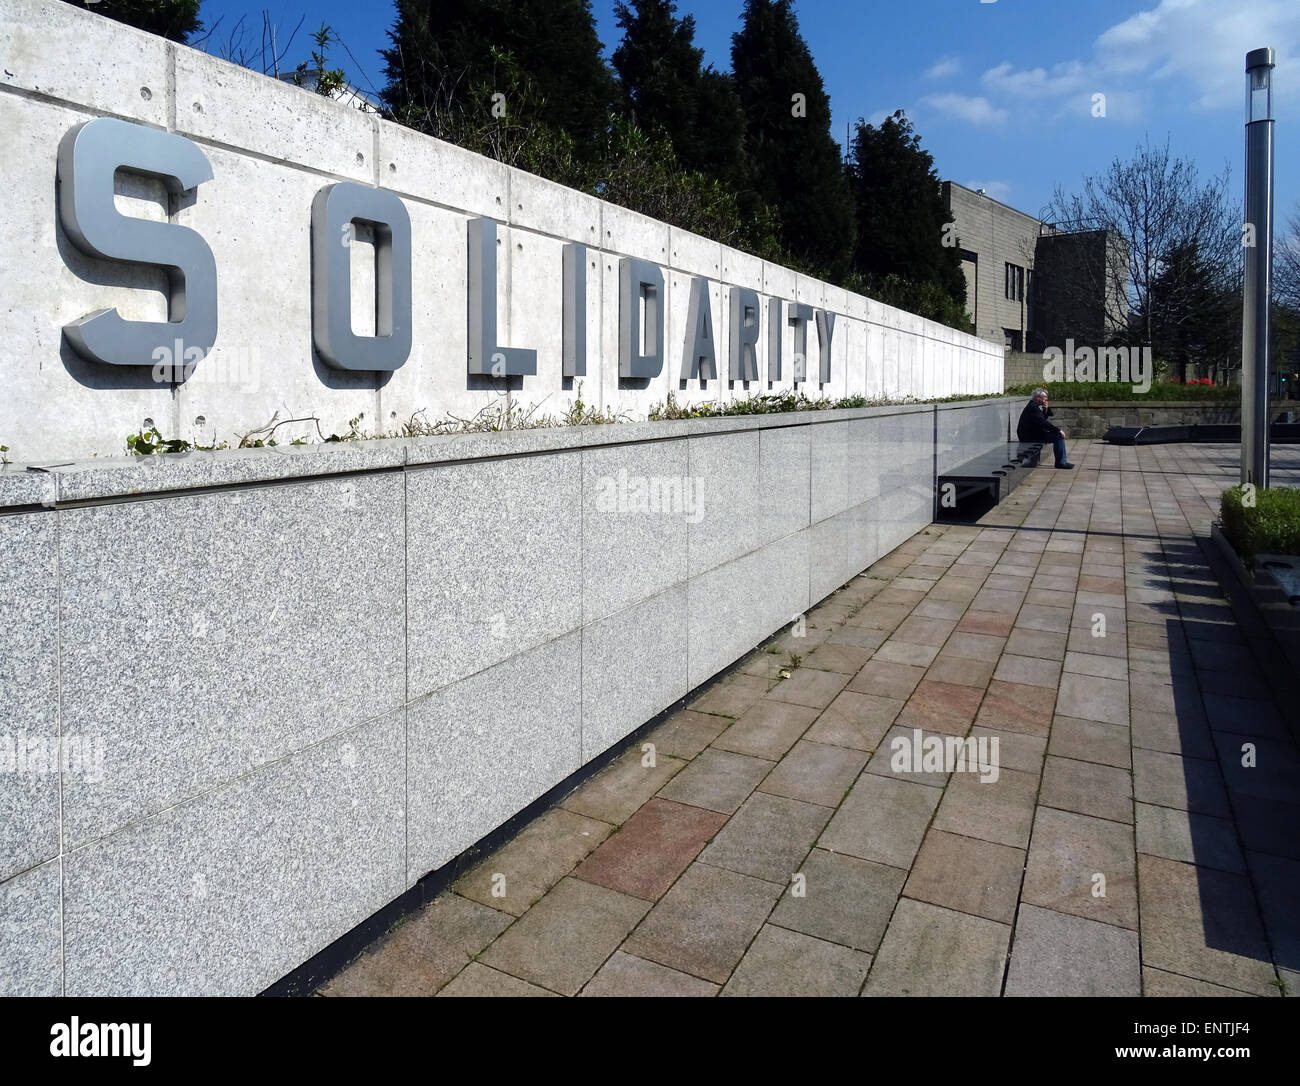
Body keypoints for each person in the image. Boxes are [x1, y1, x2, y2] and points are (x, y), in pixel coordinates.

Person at [1017, 388, 1074, 469]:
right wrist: (1058, 430)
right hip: (1029, 436)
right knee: (1058, 436)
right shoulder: (1033, 408)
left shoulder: (1034, 405)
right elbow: (1043, 423)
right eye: (1044, 397)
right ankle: (1061, 462)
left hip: (1033, 433)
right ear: (1038, 397)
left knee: (1055, 435)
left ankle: (1034, 461)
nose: (1046, 399)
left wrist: (1045, 409)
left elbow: (1041, 420)